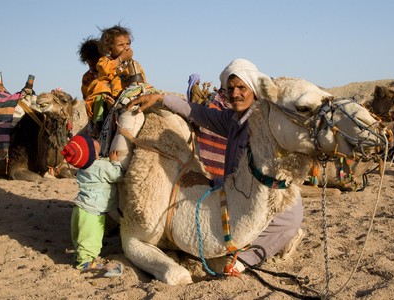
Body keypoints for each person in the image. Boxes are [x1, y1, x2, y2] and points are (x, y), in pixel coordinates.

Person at [127, 58, 305, 270]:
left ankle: (247, 260)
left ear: (254, 90)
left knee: (285, 219)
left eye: (241, 88)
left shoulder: (262, 127)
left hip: (263, 196)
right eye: (230, 89)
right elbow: (197, 112)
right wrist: (161, 99)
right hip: (235, 192)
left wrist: (213, 181)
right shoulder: (232, 120)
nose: (235, 94)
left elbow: (260, 173)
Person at [61, 134, 124, 277]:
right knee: (91, 238)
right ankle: (85, 262)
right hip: (93, 212)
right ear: (91, 153)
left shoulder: (83, 168)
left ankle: (80, 255)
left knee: (81, 236)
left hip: (80, 208)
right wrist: (115, 162)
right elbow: (117, 176)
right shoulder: (102, 166)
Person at [84, 24, 147, 138]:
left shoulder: (134, 64)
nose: (126, 48)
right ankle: (98, 125)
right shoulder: (104, 61)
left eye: (128, 44)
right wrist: (120, 59)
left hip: (128, 96)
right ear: (109, 49)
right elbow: (104, 71)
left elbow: (141, 80)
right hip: (108, 96)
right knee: (99, 88)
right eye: (121, 45)